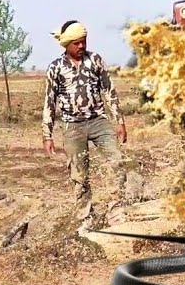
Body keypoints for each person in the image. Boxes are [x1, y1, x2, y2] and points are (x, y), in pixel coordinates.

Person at [42, 20, 129, 203]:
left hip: (98, 121)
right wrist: (47, 136)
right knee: (79, 175)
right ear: (67, 44)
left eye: (84, 41)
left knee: (118, 161)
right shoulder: (56, 68)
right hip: (72, 126)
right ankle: (85, 214)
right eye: (76, 43)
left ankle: (122, 203)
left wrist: (119, 121)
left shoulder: (95, 60)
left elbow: (109, 91)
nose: (81, 46)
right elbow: (50, 102)